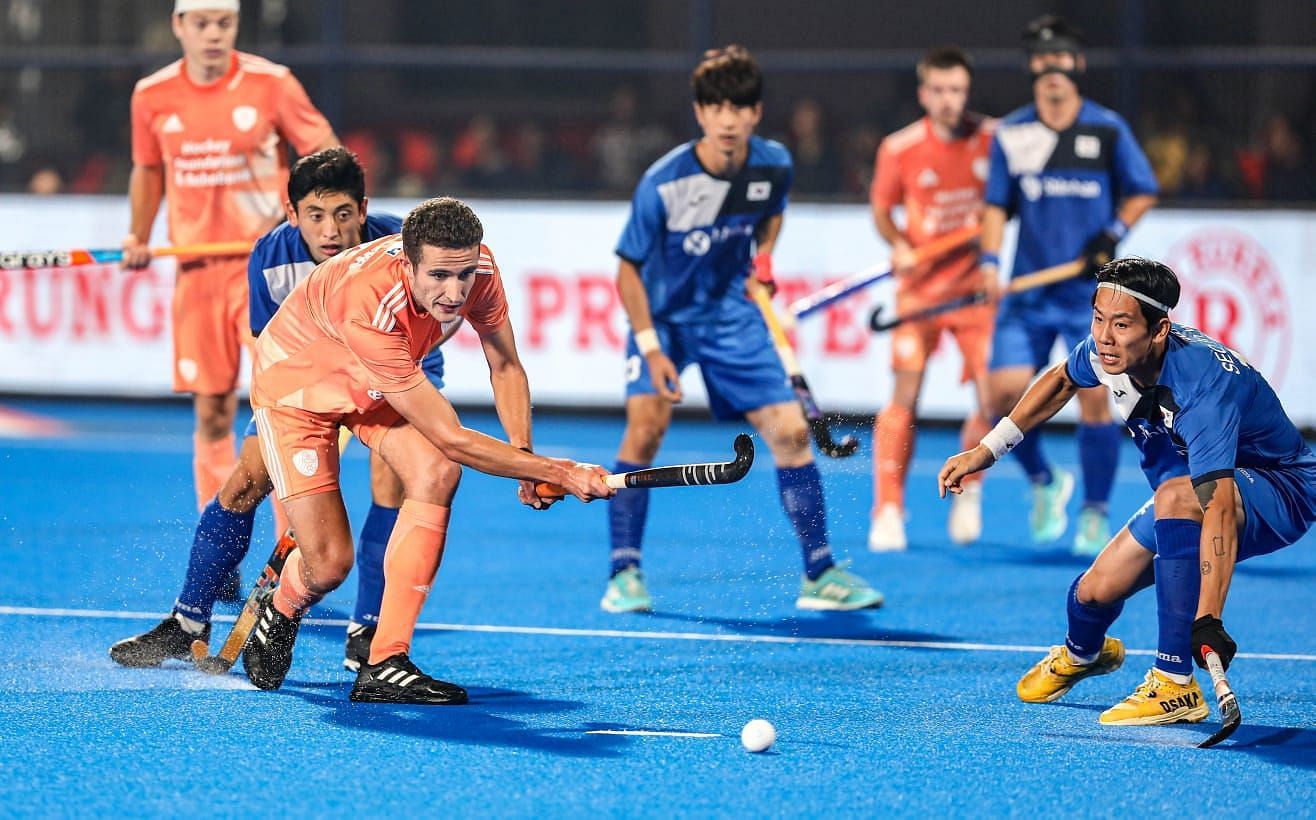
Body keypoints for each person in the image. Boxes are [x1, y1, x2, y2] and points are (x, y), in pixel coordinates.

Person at [240, 196, 614, 703]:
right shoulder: (369, 305)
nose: (455, 292)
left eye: (462, 275)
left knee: (435, 473)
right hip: (298, 387)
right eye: (438, 275)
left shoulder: (478, 267)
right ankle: (282, 606)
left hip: (370, 382)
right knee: (329, 565)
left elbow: (505, 365)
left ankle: (385, 661)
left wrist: (525, 456)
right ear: (407, 263)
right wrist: (562, 471)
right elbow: (453, 437)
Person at [109, 147, 448, 673]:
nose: (330, 229)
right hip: (302, 380)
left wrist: (354, 403)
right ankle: (187, 621)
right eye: (315, 215)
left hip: (397, 374)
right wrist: (311, 426)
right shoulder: (271, 255)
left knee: (395, 479)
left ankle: (368, 632)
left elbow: (416, 343)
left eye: (341, 214)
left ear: (362, 209)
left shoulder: (400, 248)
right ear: (293, 215)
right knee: (246, 478)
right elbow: (272, 354)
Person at [938, 257, 1316, 724]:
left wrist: (1210, 619)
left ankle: (1175, 684)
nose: (1104, 336)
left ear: (1159, 331)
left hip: (1281, 489)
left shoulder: (1202, 392)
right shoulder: (1110, 352)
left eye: (1120, 324)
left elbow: (1215, 506)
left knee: (1177, 496)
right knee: (1091, 593)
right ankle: (1084, 655)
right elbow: (1060, 380)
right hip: (1194, 489)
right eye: (1098, 320)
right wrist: (987, 450)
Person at [601, 45, 883, 614]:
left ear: (756, 112)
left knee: (790, 430)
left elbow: (772, 211)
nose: (728, 119)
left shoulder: (773, 163)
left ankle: (820, 574)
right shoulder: (664, 184)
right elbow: (627, 269)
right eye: (715, 107)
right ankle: (624, 574)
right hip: (665, 320)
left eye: (740, 107)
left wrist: (766, 259)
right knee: (645, 430)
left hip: (731, 315)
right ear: (700, 113)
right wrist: (651, 346)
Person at [123, 0, 338, 527]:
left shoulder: (273, 84)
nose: (213, 34)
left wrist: (321, 224)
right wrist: (138, 234)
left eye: (224, 23)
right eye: (201, 23)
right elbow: (148, 170)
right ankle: (216, 542)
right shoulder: (151, 95)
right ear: (179, 26)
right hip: (197, 272)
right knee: (213, 409)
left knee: (286, 406)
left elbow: (326, 154)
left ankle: (296, 549)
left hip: (267, 268)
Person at [979, 15, 1158, 555]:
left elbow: (1142, 191)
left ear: (1075, 66)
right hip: (1029, 292)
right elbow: (994, 206)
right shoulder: (1012, 133)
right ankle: (1045, 483)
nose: (1053, 69)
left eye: (1062, 59)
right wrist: (989, 262)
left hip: (1094, 296)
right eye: (1042, 59)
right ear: (1033, 67)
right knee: (1002, 394)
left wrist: (1113, 232)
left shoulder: (1106, 129)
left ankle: (1094, 513)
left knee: (1096, 402)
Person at [867, 46, 996, 551]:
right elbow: (881, 209)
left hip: (973, 292)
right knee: (904, 396)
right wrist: (899, 244)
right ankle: (889, 509)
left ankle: (969, 486)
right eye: (940, 90)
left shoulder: (992, 140)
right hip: (919, 293)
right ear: (924, 94)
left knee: (993, 399)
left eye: (958, 90)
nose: (949, 100)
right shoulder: (898, 148)